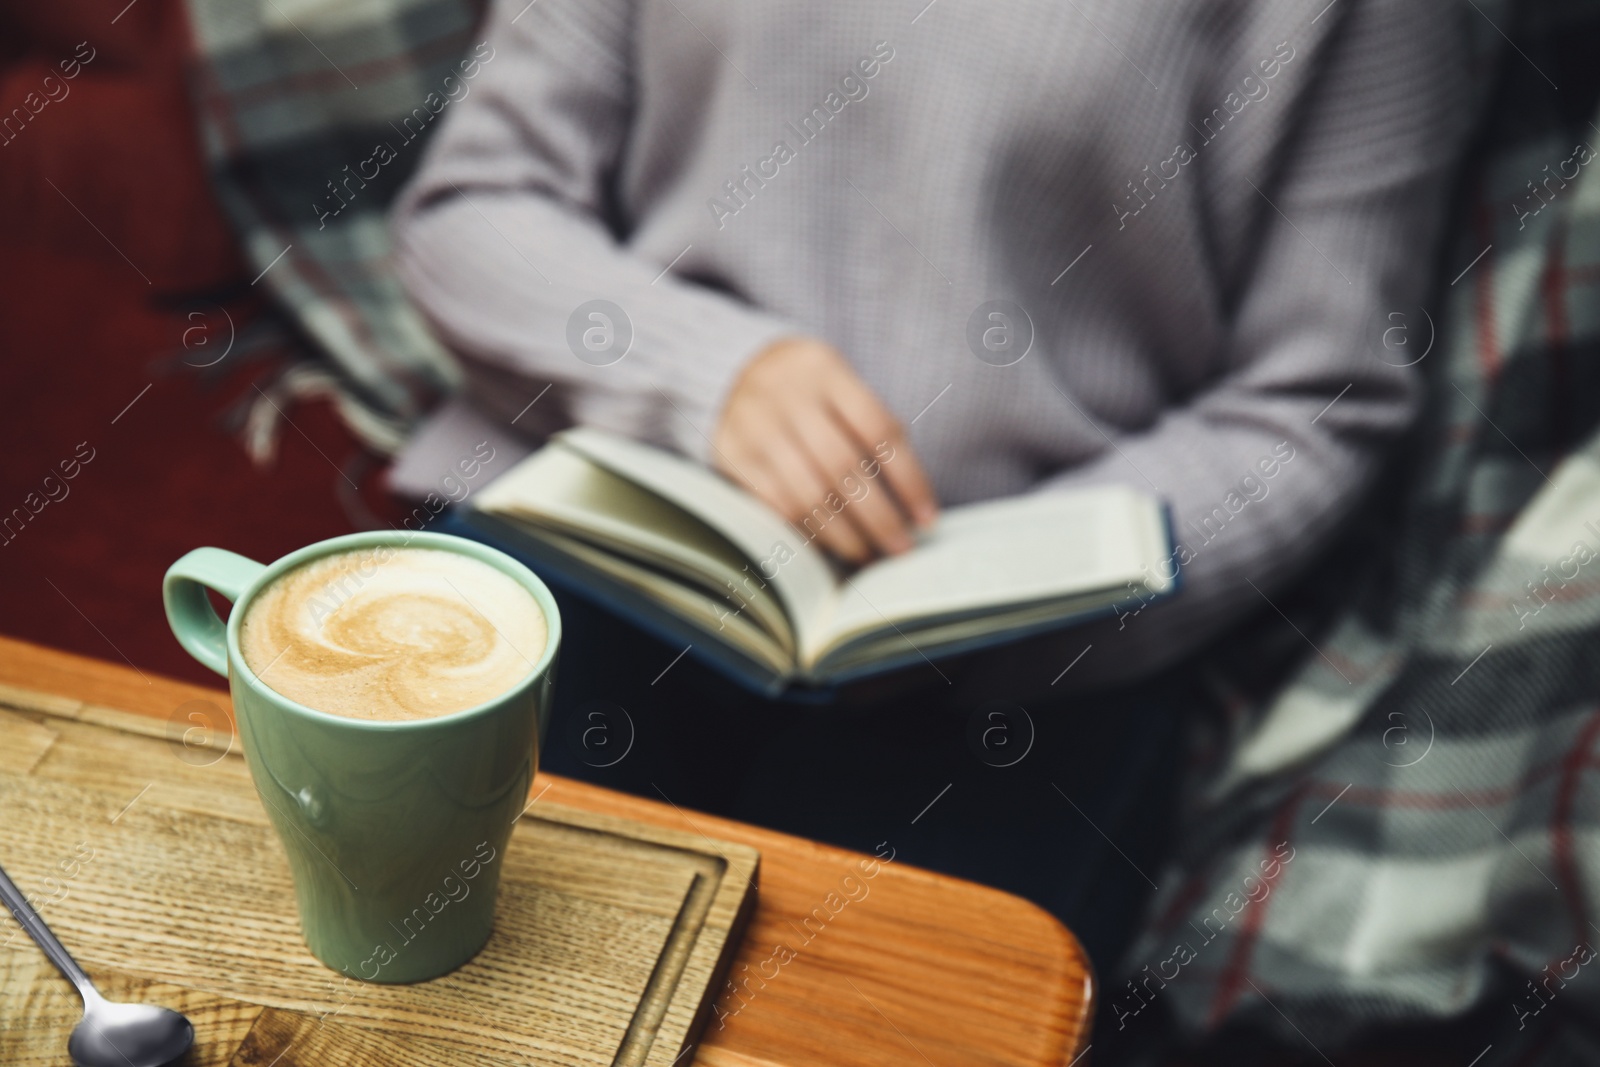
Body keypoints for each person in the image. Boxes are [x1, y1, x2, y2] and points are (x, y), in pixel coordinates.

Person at [389, 0, 1474, 977]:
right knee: (421, 969)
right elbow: (473, 207)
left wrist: (1022, 596)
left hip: (1025, 673)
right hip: (600, 550)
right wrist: (701, 372)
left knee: (881, 1013)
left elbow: (1322, 397)